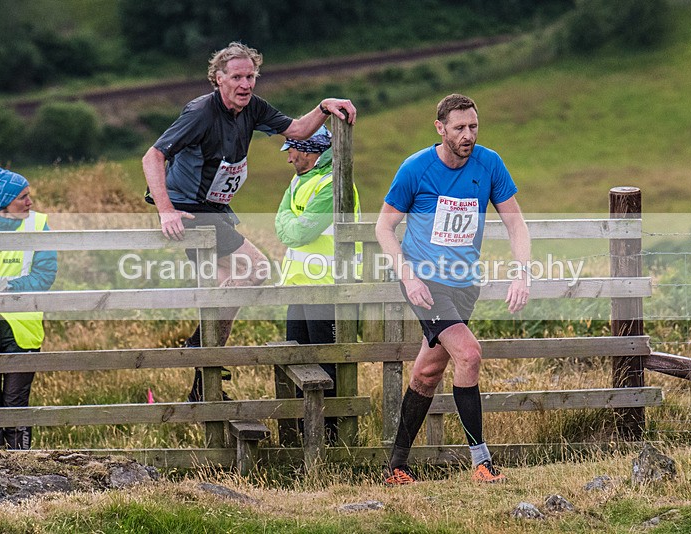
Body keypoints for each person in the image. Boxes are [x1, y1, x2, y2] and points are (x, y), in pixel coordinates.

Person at [140, 42, 356, 401]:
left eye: (251, 76)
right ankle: (198, 345)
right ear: (218, 79)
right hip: (189, 210)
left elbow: (299, 131)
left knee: (226, 295)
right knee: (256, 269)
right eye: (237, 77)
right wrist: (165, 209)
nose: (245, 84)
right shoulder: (200, 112)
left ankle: (202, 388)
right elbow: (154, 155)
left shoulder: (252, 108)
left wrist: (323, 107)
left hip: (215, 210)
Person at [375, 94, 531, 484]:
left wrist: (521, 273)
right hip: (425, 282)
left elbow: (516, 223)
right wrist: (407, 276)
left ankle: (396, 466)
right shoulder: (415, 169)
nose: (468, 135)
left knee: (428, 372)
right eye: (459, 128)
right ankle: (482, 462)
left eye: (473, 126)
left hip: (464, 284)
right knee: (470, 353)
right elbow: (384, 227)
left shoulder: (489, 164)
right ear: (440, 128)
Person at [274, 125, 361, 445]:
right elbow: (284, 224)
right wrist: (288, 224)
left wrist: (287, 224)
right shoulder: (301, 180)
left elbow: (298, 232)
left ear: (311, 151)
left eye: (293, 150)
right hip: (300, 287)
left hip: (328, 287)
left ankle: (334, 440)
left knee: (328, 368)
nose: (289, 158)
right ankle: (302, 436)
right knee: (297, 364)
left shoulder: (334, 184)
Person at [0, 165, 58, 449]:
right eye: (22, 197)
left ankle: (20, 464)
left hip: (24, 326)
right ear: (4, 201)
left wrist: (10, 287)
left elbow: (45, 274)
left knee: (15, 401)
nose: (30, 202)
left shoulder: (37, 224)